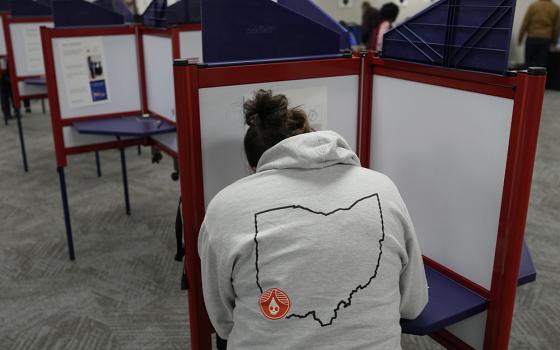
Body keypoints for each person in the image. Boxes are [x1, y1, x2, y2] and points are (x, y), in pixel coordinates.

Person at [198, 90, 428, 349]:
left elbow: (223, 322)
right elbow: (413, 304)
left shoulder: (224, 207)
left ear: (255, 167)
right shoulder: (383, 189)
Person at [519, 0, 560, 68]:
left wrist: (520, 38)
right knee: (541, 65)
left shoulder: (533, 6)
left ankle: (528, 78)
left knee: (528, 64)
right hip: (546, 39)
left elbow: (525, 22)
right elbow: (557, 26)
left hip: (532, 37)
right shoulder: (555, 8)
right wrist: (554, 41)